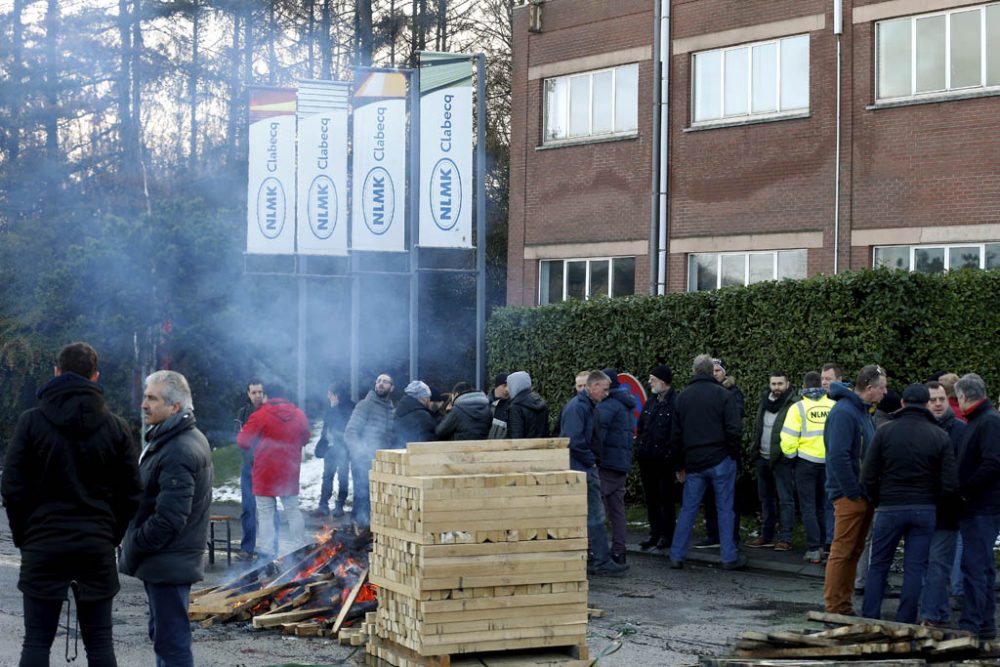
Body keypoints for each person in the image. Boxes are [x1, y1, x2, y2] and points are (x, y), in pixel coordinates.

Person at [2, 342, 142, 667]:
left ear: (56, 371)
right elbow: (132, 493)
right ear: (95, 376)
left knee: (36, 642)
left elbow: (12, 487)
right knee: (100, 644)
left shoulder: (31, 422)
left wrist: (26, 537)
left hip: (43, 545)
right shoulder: (116, 428)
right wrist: (111, 534)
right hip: (95, 546)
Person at [119, 370, 213, 667]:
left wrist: (136, 542)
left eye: (152, 398)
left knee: (171, 645)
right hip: (164, 562)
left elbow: (170, 519)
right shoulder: (169, 439)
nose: (144, 404)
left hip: (169, 562)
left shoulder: (179, 448)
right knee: (164, 638)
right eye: (145, 396)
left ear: (175, 407)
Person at [860, 383, 957, 623]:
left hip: (889, 507)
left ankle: (870, 616)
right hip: (924, 509)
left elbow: (868, 475)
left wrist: (876, 499)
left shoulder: (885, 431)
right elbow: (949, 483)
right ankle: (905, 619)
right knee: (915, 567)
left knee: (879, 564)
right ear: (926, 405)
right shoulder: (940, 435)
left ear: (903, 403)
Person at [668, 354, 746, 570]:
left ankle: (677, 555)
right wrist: (732, 453)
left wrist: (678, 465)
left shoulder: (682, 397)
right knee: (725, 508)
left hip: (694, 461)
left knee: (688, 510)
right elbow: (734, 429)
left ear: (694, 371)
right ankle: (728, 557)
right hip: (721, 458)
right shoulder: (723, 394)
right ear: (712, 372)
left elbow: (675, 435)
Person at [823, 364, 886, 614]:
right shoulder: (845, 413)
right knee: (842, 551)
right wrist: (852, 492)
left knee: (852, 551)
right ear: (869, 388)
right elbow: (838, 456)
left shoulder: (861, 412)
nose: (885, 392)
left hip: (861, 495)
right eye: (882, 388)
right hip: (850, 495)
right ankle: (834, 606)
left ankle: (843, 604)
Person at [560, 370, 628, 576]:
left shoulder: (582, 406)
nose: (606, 394)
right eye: (605, 389)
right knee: (595, 515)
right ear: (594, 387)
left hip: (581, 467)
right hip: (582, 468)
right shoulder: (580, 407)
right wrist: (591, 461)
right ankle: (600, 560)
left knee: (591, 515)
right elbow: (574, 440)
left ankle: (594, 557)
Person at [237, 387, 311, 559]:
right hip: (289, 471)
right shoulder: (299, 415)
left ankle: (268, 553)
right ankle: (299, 548)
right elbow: (306, 437)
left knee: (266, 514)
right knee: (293, 510)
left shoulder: (260, 415)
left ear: (267, 396)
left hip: (265, 472)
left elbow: (243, 441)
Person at [953, 373, 1000, 639]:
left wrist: (965, 489)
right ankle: (984, 623)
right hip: (981, 506)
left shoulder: (987, 422)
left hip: (982, 507)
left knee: (975, 567)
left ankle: (972, 623)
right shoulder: (984, 419)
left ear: (963, 396)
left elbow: (993, 463)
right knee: (982, 566)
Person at [919, 380, 967, 627]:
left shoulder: (959, 430)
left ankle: (933, 615)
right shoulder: (920, 428)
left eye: (941, 399)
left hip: (946, 509)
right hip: (923, 507)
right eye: (932, 400)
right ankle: (935, 611)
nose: (938, 404)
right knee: (926, 564)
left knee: (938, 564)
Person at [781, 371, 835, 564]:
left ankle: (814, 549)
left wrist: (791, 456)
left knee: (808, 506)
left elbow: (787, 437)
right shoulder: (833, 406)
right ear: (821, 385)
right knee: (825, 506)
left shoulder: (798, 408)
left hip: (805, 462)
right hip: (829, 463)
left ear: (803, 387)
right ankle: (827, 543)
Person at [746, 371, 797, 552]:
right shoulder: (764, 401)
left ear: (787, 384)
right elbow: (758, 427)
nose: (776, 388)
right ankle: (766, 535)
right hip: (762, 457)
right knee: (765, 499)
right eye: (773, 384)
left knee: (785, 500)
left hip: (782, 459)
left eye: (780, 384)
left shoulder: (793, 404)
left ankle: (785, 538)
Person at [698, 357, 745, 549]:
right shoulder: (704, 392)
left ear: (724, 372)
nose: (715, 373)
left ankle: (731, 536)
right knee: (709, 497)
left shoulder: (733, 393)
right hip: (709, 453)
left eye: (718, 370)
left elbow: (736, 418)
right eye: (713, 370)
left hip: (725, 452)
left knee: (729, 498)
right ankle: (712, 534)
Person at [635, 365, 679, 552]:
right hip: (647, 459)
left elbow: (676, 432)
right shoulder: (651, 402)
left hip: (664, 460)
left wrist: (672, 455)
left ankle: (667, 535)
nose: (650, 382)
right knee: (651, 499)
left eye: (653, 379)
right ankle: (654, 533)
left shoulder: (675, 402)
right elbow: (642, 426)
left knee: (665, 499)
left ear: (662, 381)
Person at [597, 368, 638, 564]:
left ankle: (597, 552)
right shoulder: (626, 404)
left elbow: (599, 436)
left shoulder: (608, 405)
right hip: (621, 462)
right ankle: (619, 551)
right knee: (617, 509)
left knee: (598, 509)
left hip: (606, 463)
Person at [344, 373, 395, 528]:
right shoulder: (365, 404)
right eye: (379, 381)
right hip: (363, 462)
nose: (380, 384)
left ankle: (368, 536)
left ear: (391, 388)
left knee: (377, 499)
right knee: (362, 498)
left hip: (382, 462)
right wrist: (361, 453)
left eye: (385, 382)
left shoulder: (391, 409)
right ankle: (355, 534)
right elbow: (350, 432)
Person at [313, 383, 354, 518]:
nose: (328, 396)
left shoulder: (349, 408)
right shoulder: (331, 408)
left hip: (343, 449)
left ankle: (340, 505)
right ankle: (323, 505)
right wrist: (322, 444)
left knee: (342, 477)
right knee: (327, 476)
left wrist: (335, 408)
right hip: (330, 449)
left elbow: (344, 428)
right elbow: (327, 428)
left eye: (329, 394)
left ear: (337, 395)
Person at [235, 379, 265, 558]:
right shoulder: (243, 412)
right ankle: (247, 548)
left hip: (266, 468)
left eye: (260, 392)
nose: (257, 395)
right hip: (248, 467)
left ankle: (270, 550)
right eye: (254, 392)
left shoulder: (269, 411)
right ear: (248, 394)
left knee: (268, 510)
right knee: (248, 509)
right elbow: (238, 437)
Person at [506, 371, 550, 438]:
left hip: (525, 447)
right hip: (541, 446)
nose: (507, 389)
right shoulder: (541, 402)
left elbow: (516, 437)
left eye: (509, 385)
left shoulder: (516, 407)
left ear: (515, 385)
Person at [394, 381, 437, 448]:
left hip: (398, 454)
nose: (429, 400)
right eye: (428, 397)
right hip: (415, 456)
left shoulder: (398, 412)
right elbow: (428, 442)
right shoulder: (423, 416)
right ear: (423, 398)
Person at [488, 373, 510, 439]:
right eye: (504, 385)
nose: (507, 389)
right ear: (496, 386)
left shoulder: (511, 406)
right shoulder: (485, 404)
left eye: (509, 386)